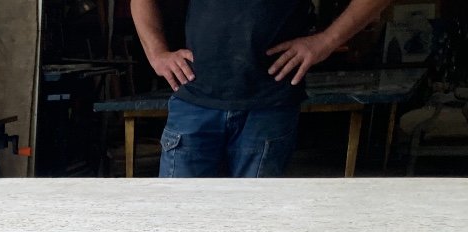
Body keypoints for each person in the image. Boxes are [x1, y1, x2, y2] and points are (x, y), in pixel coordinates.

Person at [130, 0, 394, 177]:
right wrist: (157, 54)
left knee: (255, 226)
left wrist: (326, 41)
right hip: (194, 100)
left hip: (268, 106)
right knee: (179, 221)